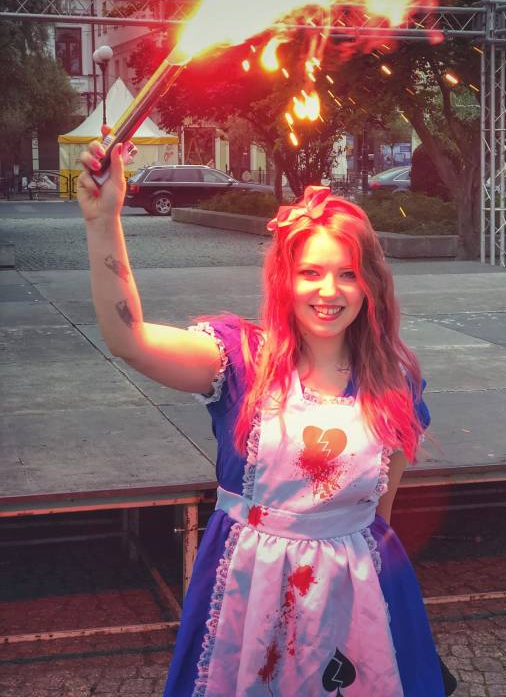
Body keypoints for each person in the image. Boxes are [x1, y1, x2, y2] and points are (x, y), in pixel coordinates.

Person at [78, 137, 456, 697]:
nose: (328, 291)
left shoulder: (396, 380)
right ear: (285, 279)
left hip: (358, 598)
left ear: (370, 283)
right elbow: (128, 339)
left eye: (347, 274)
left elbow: (380, 515)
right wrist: (103, 219)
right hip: (249, 594)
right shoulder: (239, 360)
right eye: (311, 272)